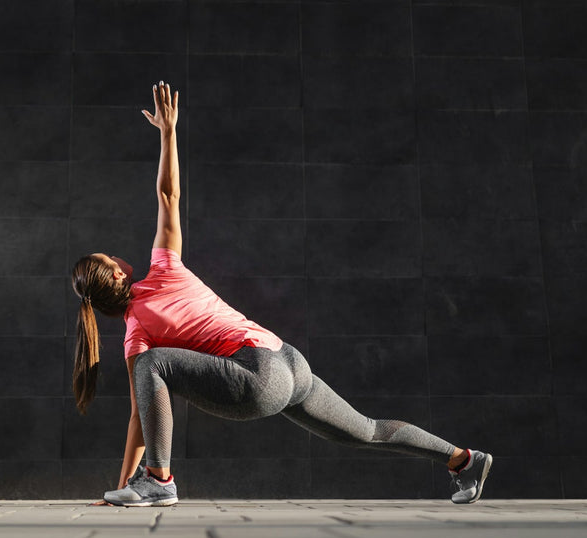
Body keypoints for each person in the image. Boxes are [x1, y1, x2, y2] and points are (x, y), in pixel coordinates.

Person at [71, 81, 492, 507]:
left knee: (151, 365)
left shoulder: (136, 336)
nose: (115, 253)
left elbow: (140, 420)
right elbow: (168, 195)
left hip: (261, 376)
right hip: (288, 361)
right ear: (116, 273)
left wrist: (122, 485)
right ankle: (463, 460)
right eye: (108, 255)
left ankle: (158, 481)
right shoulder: (164, 268)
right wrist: (168, 132)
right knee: (367, 429)